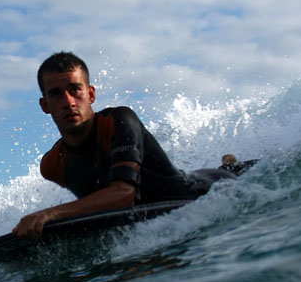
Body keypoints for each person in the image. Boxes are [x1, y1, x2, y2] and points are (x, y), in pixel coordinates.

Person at [14, 52, 235, 238]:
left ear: (91, 94)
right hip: (146, 214)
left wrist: (49, 215)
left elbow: (123, 194)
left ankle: (230, 166)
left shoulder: (118, 121)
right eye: (56, 94)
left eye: (75, 89)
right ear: (45, 105)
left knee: (231, 172)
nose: (68, 101)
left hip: (207, 189)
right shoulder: (53, 165)